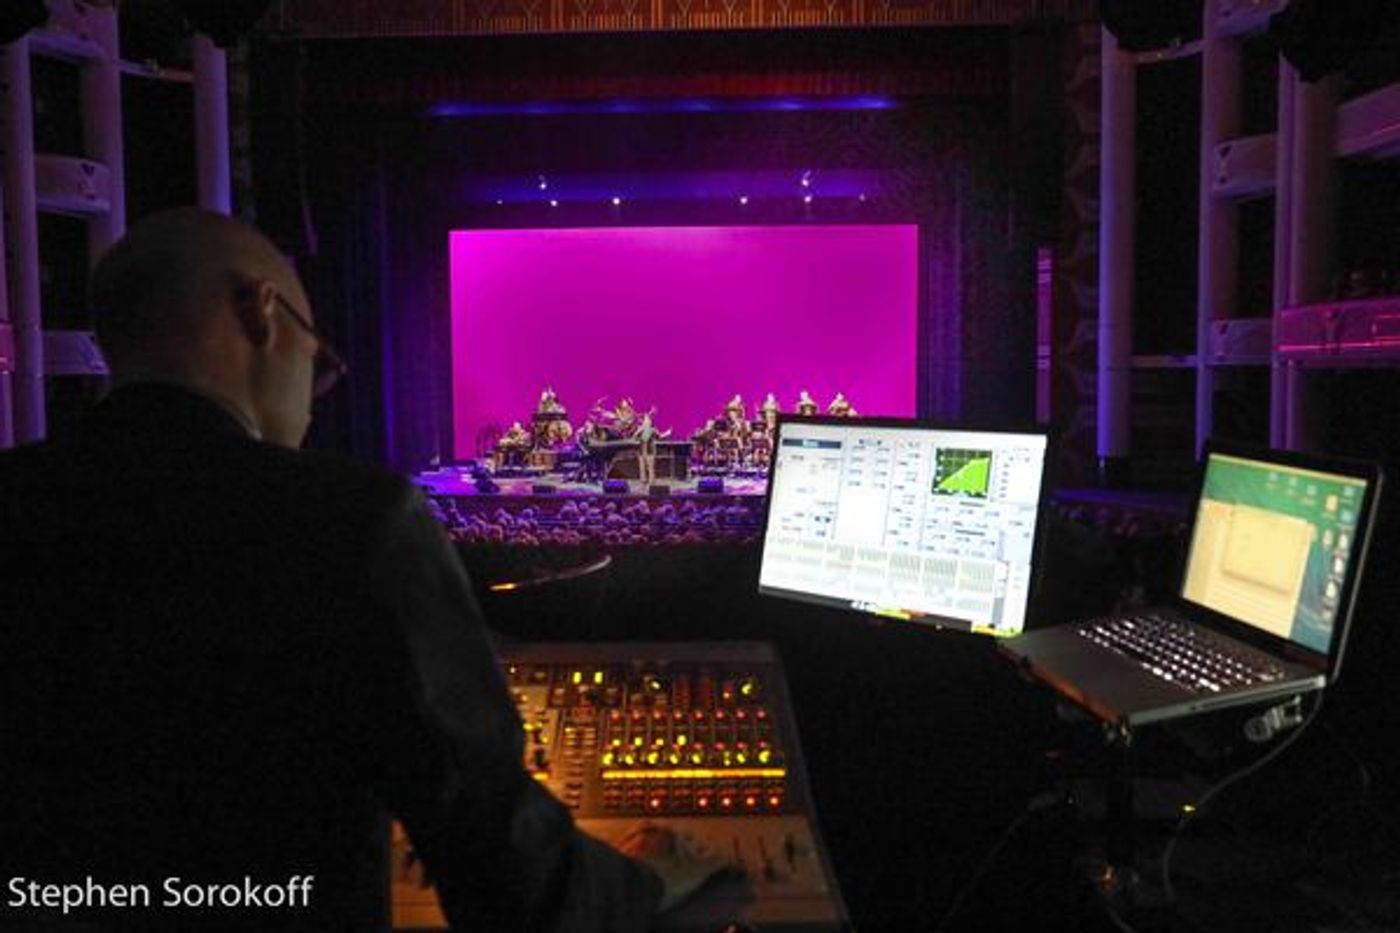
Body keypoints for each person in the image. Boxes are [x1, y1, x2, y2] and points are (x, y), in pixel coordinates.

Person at [0, 208, 721, 932]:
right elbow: (505, 868)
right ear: (262, 311)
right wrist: (641, 882)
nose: (314, 404)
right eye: (317, 364)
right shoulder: (351, 522)